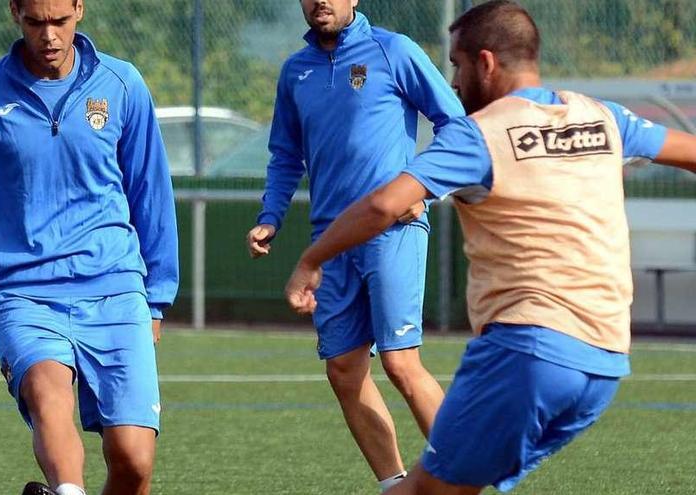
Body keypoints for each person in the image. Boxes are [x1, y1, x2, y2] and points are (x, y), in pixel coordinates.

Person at [284, 1, 696, 493]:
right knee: (435, 487)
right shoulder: (598, 116)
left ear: (486, 62)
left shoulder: (478, 136)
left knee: (428, 489)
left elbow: (381, 207)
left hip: (526, 352)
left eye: (457, 65)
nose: (453, 82)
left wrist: (311, 259)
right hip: (603, 362)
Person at [0, 1, 178, 494]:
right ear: (15, 14)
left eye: (60, 21)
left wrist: (157, 296)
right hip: (21, 293)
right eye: (36, 22)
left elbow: (151, 194)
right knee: (49, 397)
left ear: (80, 10)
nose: (49, 35)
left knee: (133, 461)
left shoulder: (122, 85)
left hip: (115, 287)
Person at [246, 0, 464, 490]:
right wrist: (270, 217)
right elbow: (285, 155)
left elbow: (457, 126)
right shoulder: (295, 71)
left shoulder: (394, 51)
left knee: (401, 363)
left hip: (392, 230)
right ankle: (395, 485)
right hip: (330, 242)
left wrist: (422, 187)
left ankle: (463, 480)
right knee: (344, 370)